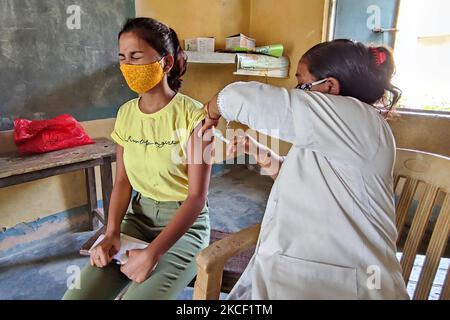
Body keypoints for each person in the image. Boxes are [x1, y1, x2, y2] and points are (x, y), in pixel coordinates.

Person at [201, 39, 409, 299]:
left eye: (301, 85)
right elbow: (306, 179)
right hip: (304, 272)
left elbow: (241, 99)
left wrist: (211, 111)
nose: (297, 92)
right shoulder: (337, 130)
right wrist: (260, 152)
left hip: (348, 285)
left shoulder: (356, 119)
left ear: (330, 86)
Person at [63, 17, 214, 300]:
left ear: (166, 63)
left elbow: (196, 197)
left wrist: (152, 253)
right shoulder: (126, 114)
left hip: (183, 226)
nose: (127, 67)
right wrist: (110, 233)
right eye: (122, 58)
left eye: (135, 57)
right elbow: (122, 181)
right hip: (138, 217)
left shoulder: (195, 118)